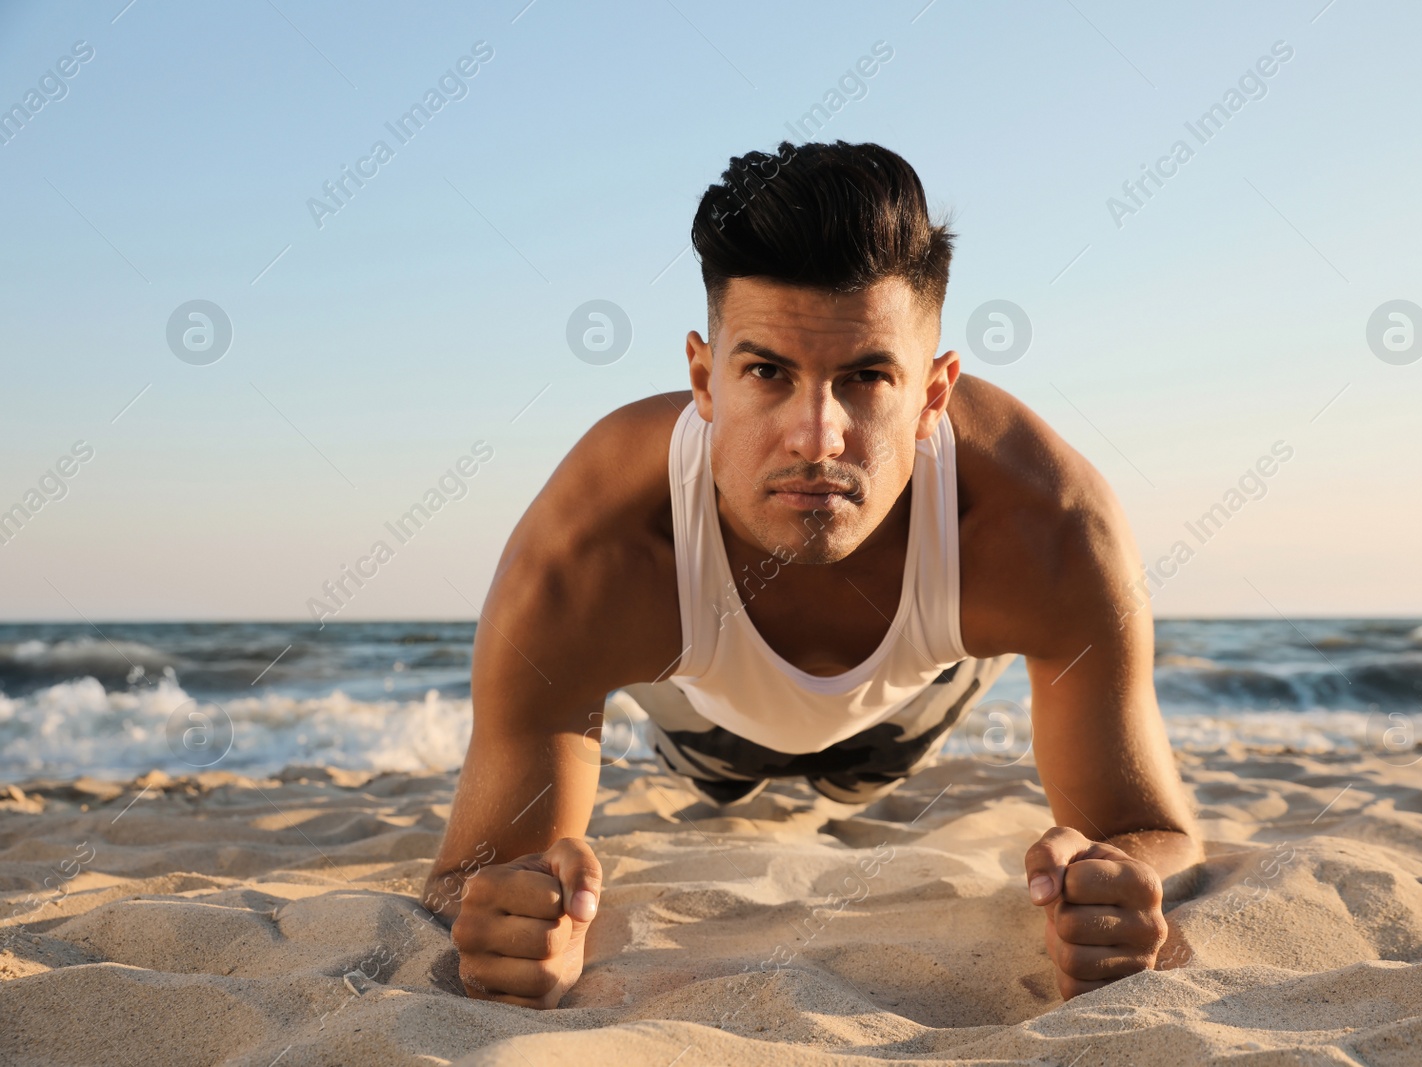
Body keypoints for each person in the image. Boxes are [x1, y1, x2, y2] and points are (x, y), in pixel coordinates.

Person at [423, 140, 1202, 1009]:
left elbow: (1157, 831)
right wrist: (513, 920)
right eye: (766, 372)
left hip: (913, 709)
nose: (817, 436)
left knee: (867, 765)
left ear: (934, 396)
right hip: (701, 720)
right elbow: (470, 873)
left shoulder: (1046, 530)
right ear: (703, 379)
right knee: (719, 775)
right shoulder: (591, 553)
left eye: (867, 376)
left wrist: (1117, 881)